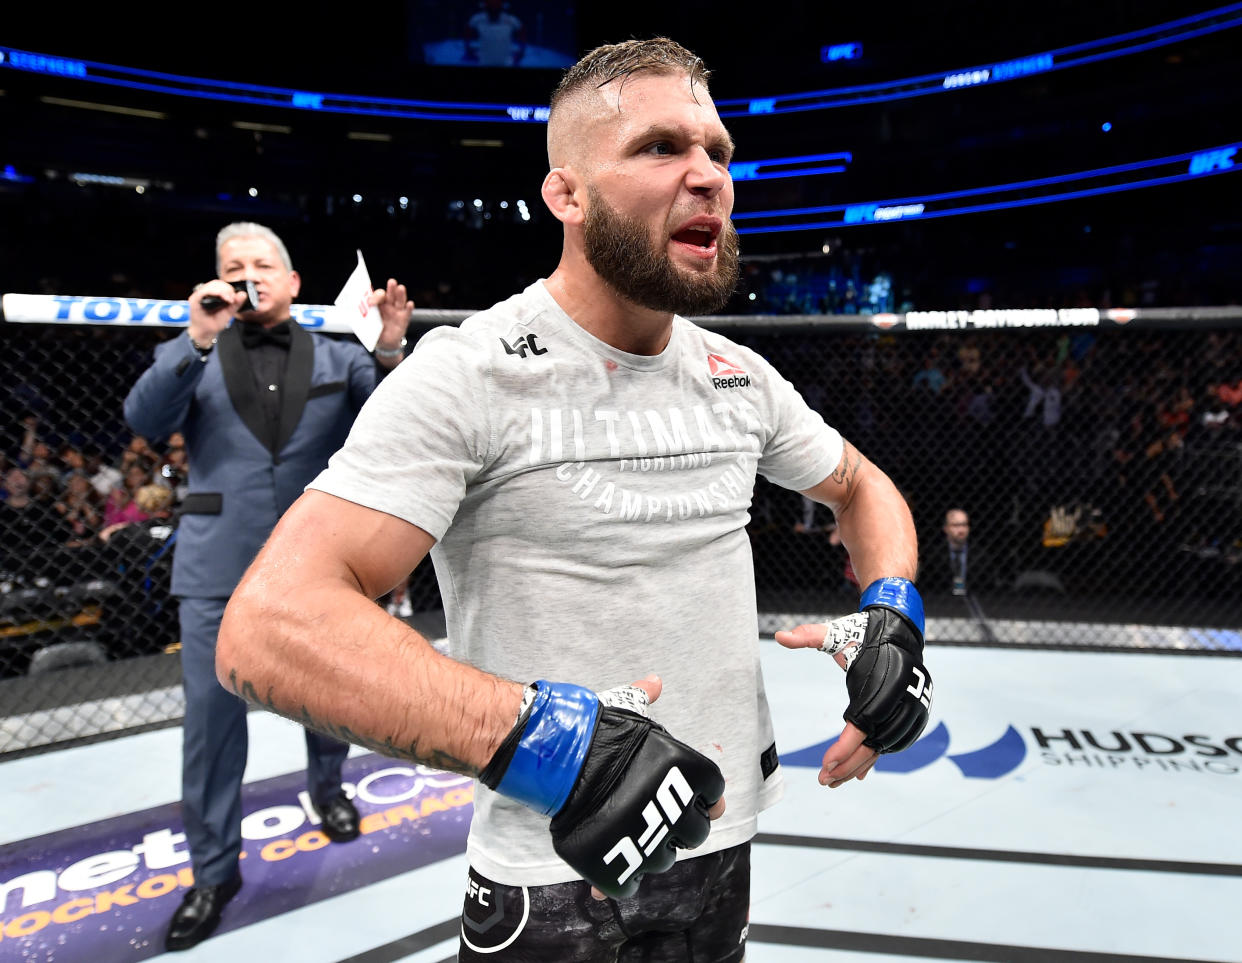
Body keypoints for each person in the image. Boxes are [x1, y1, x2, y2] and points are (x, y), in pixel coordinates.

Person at [216, 39, 933, 963]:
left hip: (725, 840)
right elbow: (269, 627)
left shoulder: (739, 378)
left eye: (717, 151)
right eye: (660, 147)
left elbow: (862, 487)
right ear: (566, 195)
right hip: (551, 873)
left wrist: (894, 612)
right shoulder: (469, 372)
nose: (708, 176)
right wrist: (556, 745)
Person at [122, 221, 414, 952]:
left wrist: (387, 348)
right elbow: (142, 419)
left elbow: (395, 424)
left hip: (319, 562)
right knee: (210, 728)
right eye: (231, 265)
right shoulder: (192, 350)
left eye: (260, 265)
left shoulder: (342, 356)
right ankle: (213, 871)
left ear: (291, 284)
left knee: (332, 695)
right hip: (216, 569)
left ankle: (329, 788)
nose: (245, 274)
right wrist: (194, 338)